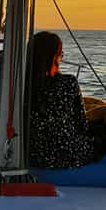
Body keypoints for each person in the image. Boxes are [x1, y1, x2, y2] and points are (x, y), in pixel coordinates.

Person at [28, 31, 95, 168]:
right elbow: (81, 124)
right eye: (60, 55)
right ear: (53, 57)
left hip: (31, 152)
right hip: (67, 155)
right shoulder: (68, 82)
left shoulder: (20, 84)